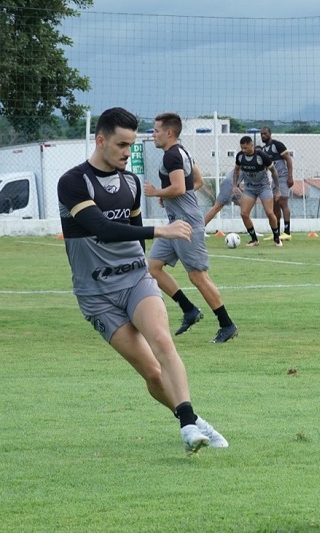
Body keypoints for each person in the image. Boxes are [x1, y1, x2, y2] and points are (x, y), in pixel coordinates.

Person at [56, 107, 227, 454]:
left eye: (131, 145)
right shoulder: (73, 182)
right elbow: (101, 229)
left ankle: (188, 424)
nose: (126, 152)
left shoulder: (132, 183)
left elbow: (136, 241)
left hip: (135, 280)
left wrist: (142, 265)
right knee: (151, 372)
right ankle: (191, 418)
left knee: (163, 341)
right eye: (120, 144)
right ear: (100, 140)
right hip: (96, 295)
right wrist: (160, 228)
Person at [144, 112, 238, 344]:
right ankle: (189, 310)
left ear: (169, 132)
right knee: (153, 267)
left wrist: (158, 192)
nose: (153, 134)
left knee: (198, 276)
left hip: (186, 224)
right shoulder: (183, 151)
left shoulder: (171, 157)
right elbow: (196, 182)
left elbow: (177, 187)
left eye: (156, 130)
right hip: (175, 222)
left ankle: (227, 324)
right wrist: (170, 196)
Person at [233, 135, 282, 247]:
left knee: (270, 213)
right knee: (244, 213)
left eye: (245, 148)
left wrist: (277, 189)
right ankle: (254, 240)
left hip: (263, 186)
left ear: (252, 145)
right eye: (242, 148)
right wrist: (234, 185)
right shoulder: (240, 156)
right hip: (250, 188)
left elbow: (274, 172)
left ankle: (276, 238)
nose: (243, 150)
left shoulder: (262, 156)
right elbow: (236, 171)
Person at [260, 127, 294, 240]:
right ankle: (277, 233)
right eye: (261, 134)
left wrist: (290, 176)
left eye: (265, 133)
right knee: (275, 205)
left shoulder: (277, 145)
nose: (263, 136)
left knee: (283, 202)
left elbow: (288, 159)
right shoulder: (264, 150)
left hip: (283, 177)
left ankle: (287, 232)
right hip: (274, 181)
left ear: (270, 134)